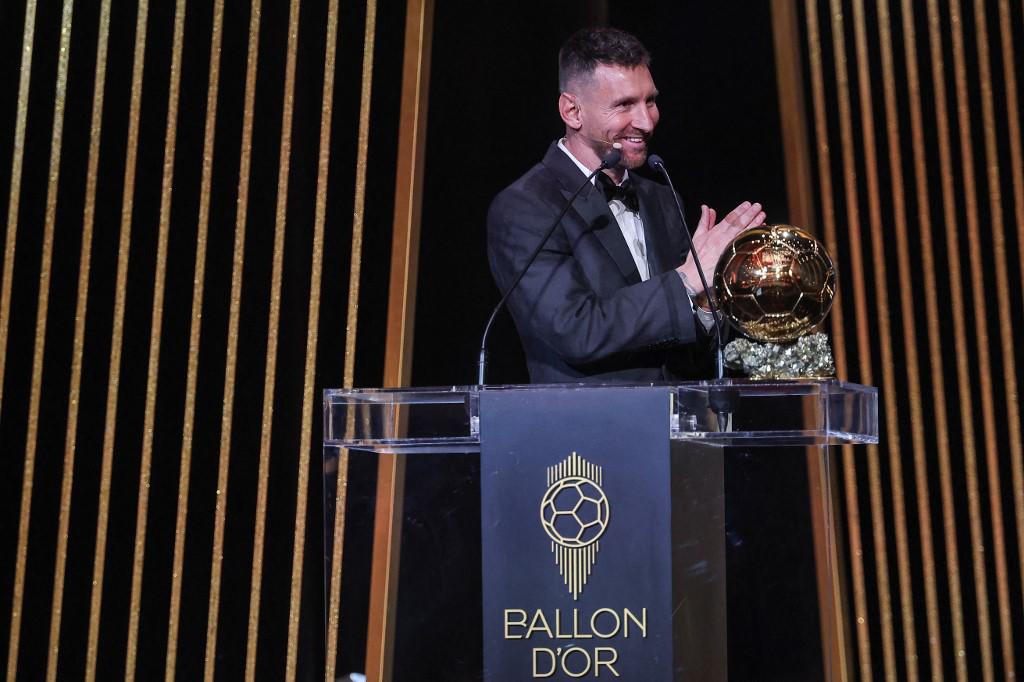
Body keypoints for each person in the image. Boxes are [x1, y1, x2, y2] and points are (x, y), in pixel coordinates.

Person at [487, 27, 766, 383]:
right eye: (624, 105)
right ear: (572, 111)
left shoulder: (662, 198)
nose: (646, 121)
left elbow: (687, 354)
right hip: (587, 433)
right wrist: (686, 282)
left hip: (680, 430)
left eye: (650, 101)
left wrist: (708, 304)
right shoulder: (525, 206)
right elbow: (576, 330)